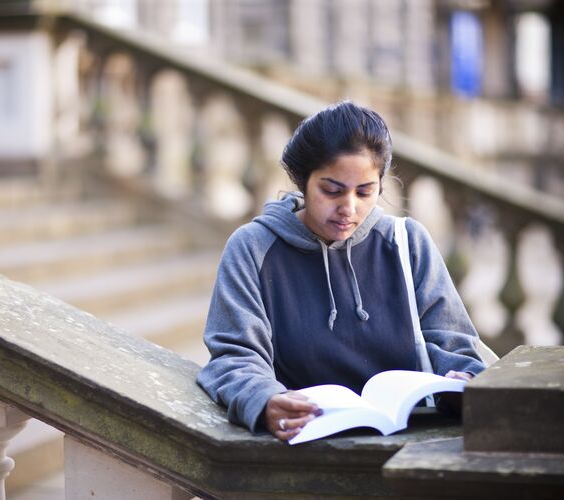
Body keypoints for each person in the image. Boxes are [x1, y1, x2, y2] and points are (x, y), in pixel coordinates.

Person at [196, 101, 486, 442]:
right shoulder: (252, 248)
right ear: (303, 181)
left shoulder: (408, 243)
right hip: (305, 451)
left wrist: (463, 381)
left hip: (412, 449)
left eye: (365, 191)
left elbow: (458, 347)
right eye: (332, 190)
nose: (349, 208)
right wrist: (264, 399)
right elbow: (234, 354)